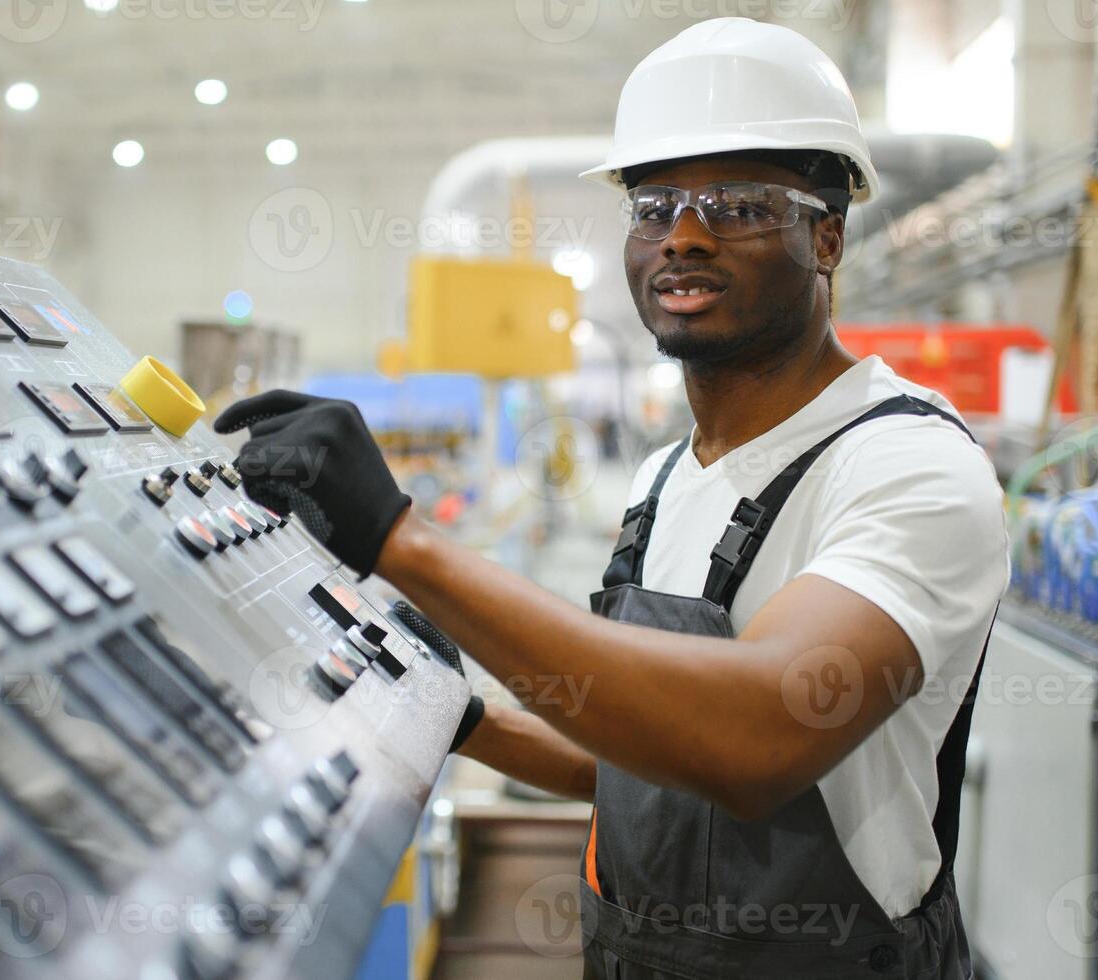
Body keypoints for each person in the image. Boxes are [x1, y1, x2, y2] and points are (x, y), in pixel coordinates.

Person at [215, 18, 1008, 980]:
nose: (681, 234)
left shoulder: (908, 466)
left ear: (826, 236)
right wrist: (459, 719)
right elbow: (645, 766)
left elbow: (754, 737)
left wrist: (402, 543)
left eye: (738, 204)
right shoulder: (662, 478)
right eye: (653, 204)